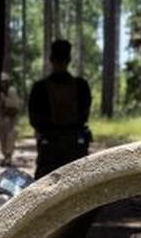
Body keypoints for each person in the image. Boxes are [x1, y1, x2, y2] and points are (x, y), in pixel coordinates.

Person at [27, 39, 92, 179]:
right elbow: (84, 114)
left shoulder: (39, 88)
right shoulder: (81, 86)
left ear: (51, 60)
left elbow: (34, 119)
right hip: (71, 144)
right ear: (69, 59)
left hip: (52, 145)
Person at [0, 71, 22, 167]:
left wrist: (4, 99)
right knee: (2, 140)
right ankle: (5, 157)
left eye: (4, 81)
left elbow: (14, 105)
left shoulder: (11, 91)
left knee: (10, 139)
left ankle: (8, 158)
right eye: (1, 82)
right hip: (1, 119)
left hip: (11, 120)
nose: (3, 83)